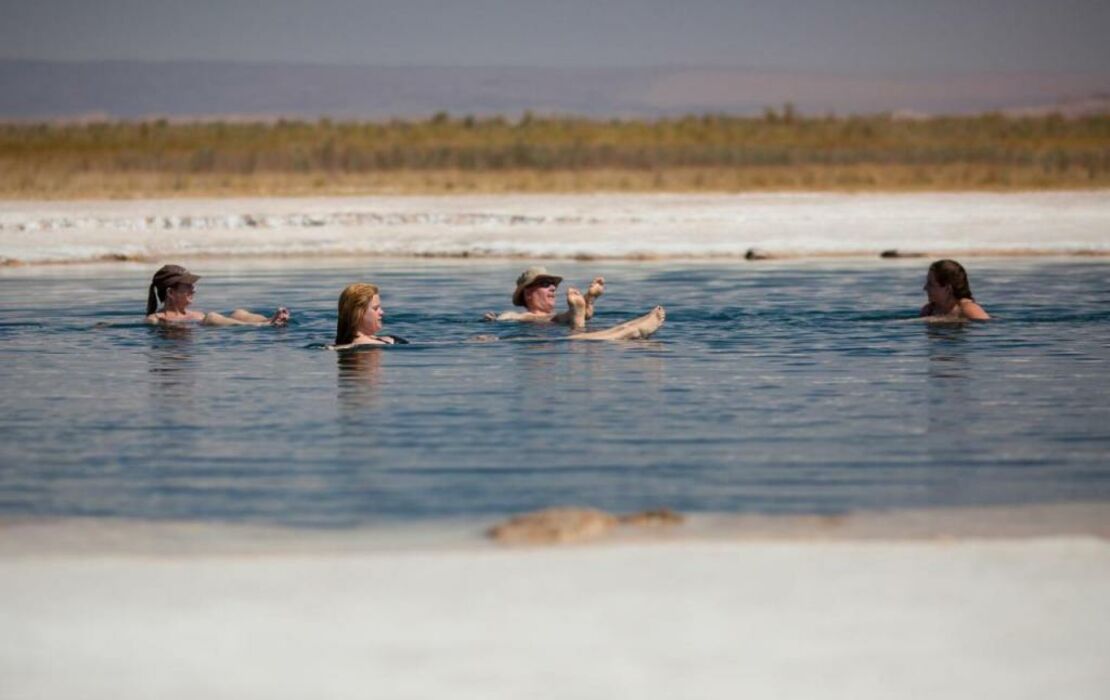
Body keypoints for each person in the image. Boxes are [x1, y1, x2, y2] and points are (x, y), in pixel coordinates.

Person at [145, 264, 290, 326]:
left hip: (209, 323)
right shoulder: (155, 320)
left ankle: (270, 320)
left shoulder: (195, 314)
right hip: (208, 323)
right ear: (171, 293)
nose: (194, 290)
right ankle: (264, 325)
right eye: (188, 286)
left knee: (239, 312)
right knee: (212, 317)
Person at [484, 266, 606, 330]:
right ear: (527, 294)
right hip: (540, 330)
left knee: (571, 316)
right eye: (545, 284)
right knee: (572, 320)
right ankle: (580, 313)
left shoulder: (558, 316)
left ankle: (586, 304)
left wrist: (588, 299)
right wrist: (495, 321)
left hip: (557, 325)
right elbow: (506, 319)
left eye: (553, 284)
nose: (553, 288)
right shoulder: (518, 316)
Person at [332, 283, 408, 349]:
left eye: (380, 308)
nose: (382, 312)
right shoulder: (370, 346)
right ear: (358, 314)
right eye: (375, 308)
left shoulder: (339, 344)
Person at [920, 259, 990, 320]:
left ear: (948, 288)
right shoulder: (928, 311)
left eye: (931, 284)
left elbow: (986, 329)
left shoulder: (968, 309)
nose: (925, 288)